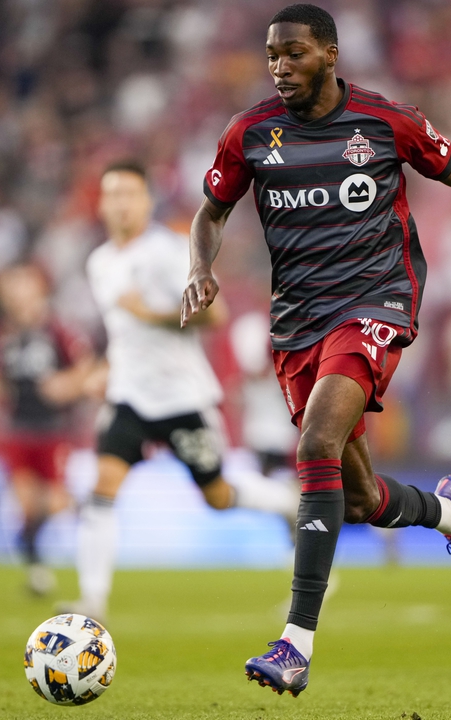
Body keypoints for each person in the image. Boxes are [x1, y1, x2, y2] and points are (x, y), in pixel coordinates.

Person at [181, 4, 451, 696]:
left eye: (294, 54)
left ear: (330, 53)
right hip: (297, 325)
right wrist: (200, 267)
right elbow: (211, 211)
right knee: (354, 498)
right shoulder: (250, 134)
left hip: (376, 302)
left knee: (316, 444)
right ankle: (448, 514)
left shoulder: (386, 122)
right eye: (272, 56)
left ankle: (294, 644)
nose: (280, 67)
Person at [58, 161, 300, 621]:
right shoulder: (100, 262)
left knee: (218, 496)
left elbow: (215, 314)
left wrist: (153, 314)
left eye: (130, 194)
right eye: (112, 195)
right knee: (103, 486)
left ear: (147, 201)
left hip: (181, 397)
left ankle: (287, 502)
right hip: (129, 395)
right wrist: (106, 369)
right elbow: (122, 331)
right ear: (101, 204)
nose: (121, 203)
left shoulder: (171, 251)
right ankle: (93, 601)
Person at [0, 263, 93, 595]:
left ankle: (75, 506)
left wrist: (66, 384)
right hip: (18, 428)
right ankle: (37, 572)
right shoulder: (1, 335)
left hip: (54, 429)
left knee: (51, 502)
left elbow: (86, 368)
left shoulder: (57, 330)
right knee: (25, 504)